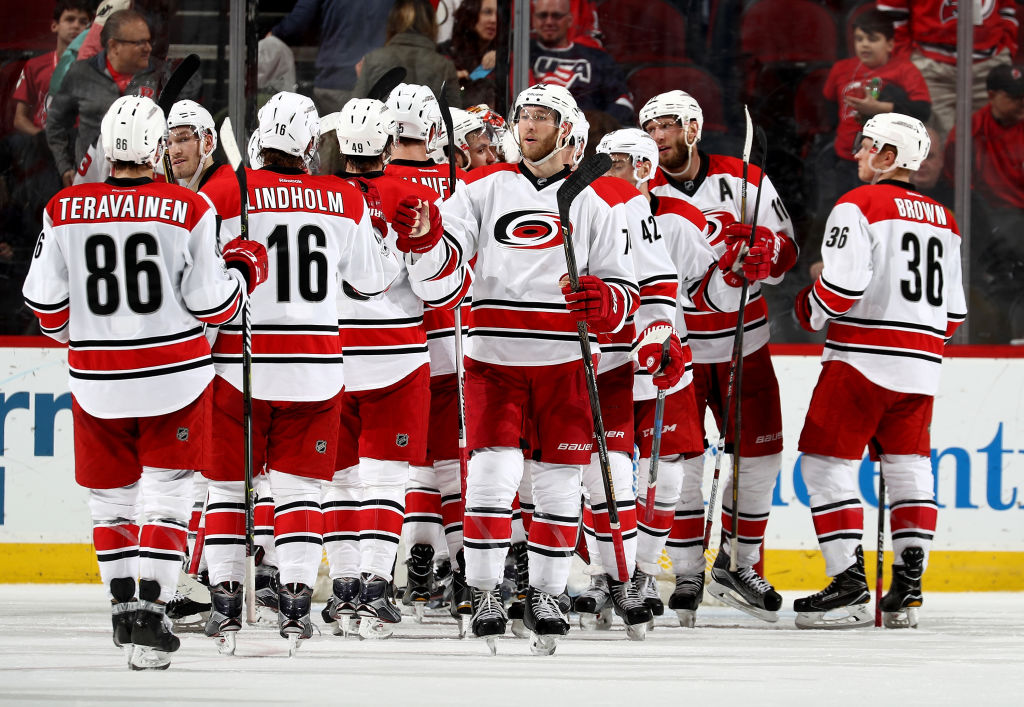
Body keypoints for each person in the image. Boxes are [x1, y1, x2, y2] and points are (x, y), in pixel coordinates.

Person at [21, 95, 268, 669]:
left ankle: (120, 609)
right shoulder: (188, 208)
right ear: (158, 148)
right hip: (173, 380)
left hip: (95, 380)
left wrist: (77, 336)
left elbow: (43, 301)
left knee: (110, 501)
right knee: (169, 494)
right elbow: (214, 306)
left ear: (106, 147)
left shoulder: (63, 207)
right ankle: (152, 609)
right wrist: (244, 268)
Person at [412, 82, 637, 654]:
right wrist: (428, 241)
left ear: (566, 132)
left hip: (565, 362)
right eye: (524, 116)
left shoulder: (593, 201)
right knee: (491, 476)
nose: (529, 125)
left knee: (561, 485)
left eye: (541, 116)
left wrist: (605, 301)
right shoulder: (482, 189)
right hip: (493, 360)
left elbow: (625, 289)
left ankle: (547, 593)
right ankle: (485, 589)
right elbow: (444, 266)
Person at [197, 91, 402, 653]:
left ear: (261, 137)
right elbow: (371, 283)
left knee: (225, 490)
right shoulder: (342, 197)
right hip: (315, 368)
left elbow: (198, 279)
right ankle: (293, 605)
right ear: (313, 144)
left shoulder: (227, 190)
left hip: (239, 366)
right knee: (301, 491)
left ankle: (224, 604)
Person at [792, 113, 966, 630]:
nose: (859, 154)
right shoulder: (946, 219)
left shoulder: (859, 204)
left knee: (824, 465)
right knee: (910, 468)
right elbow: (954, 316)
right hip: (923, 365)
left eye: (868, 146)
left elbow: (841, 292)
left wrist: (809, 306)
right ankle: (906, 592)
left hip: (861, 359)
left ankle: (848, 586)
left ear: (890, 157)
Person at [642, 89, 797, 622]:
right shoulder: (641, 186)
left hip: (743, 344)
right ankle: (686, 573)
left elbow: (787, 249)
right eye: (652, 127)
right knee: (683, 463)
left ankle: (740, 562)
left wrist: (765, 254)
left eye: (667, 126)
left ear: (692, 129)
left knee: (758, 459)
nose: (658, 137)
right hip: (677, 347)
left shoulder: (742, 176)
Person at [318, 97, 450, 639]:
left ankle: (344, 590)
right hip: (396, 355)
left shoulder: (316, 198)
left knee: (339, 480)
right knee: (386, 479)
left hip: (327, 354)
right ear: (388, 142)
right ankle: (376, 587)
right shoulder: (416, 196)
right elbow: (442, 288)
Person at [46, 9, 199, 188]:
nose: (148, 48)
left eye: (148, 41)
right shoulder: (81, 73)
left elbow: (181, 124)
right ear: (114, 46)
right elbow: (56, 124)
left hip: (148, 186)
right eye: (139, 43)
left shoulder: (160, 73)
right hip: (93, 182)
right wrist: (65, 167)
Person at [819, 9, 931, 214]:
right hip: (845, 157)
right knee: (843, 210)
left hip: (885, 162)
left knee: (877, 212)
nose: (864, 44)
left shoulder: (904, 70)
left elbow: (923, 111)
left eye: (872, 39)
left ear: (890, 44)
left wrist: (881, 109)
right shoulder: (841, 69)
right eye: (859, 38)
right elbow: (829, 108)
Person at [943, 63, 1024, 343]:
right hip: (988, 216)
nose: (1020, 103)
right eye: (1013, 97)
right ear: (991, 96)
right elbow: (958, 187)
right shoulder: (970, 132)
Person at [877, 0, 1017, 138]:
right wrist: (905, 62)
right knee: (934, 144)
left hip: (989, 64)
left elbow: (1008, 8)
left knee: (990, 144)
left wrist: (1008, 46)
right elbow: (890, 12)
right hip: (931, 67)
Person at [270, 0, 393, 114]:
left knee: (335, 133)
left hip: (336, 79)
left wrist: (273, 35)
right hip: (379, 77)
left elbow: (297, 22)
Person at [529, 0, 634, 125]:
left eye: (557, 16)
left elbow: (623, 101)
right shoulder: (521, 53)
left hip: (589, 137)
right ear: (533, 20)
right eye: (543, 16)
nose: (549, 22)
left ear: (569, 20)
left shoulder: (597, 57)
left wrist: (595, 127)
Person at [352, 0, 462, 110]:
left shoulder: (373, 60)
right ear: (431, 24)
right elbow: (455, 119)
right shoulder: (445, 67)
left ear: (393, 22)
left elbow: (354, 114)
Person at [11, 1, 92, 137]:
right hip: (41, 140)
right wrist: (41, 137)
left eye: (83, 22)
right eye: (70, 19)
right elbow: (19, 119)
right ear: (55, 26)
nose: (76, 26)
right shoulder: (34, 65)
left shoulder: (95, 69)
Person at [438, 0, 498, 107]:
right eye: (487, 12)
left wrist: (502, 56)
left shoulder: (506, 55)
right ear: (470, 14)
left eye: (497, 14)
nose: (494, 20)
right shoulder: (444, 54)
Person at [166, 100, 229, 191]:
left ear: (207, 143)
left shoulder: (228, 188)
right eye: (168, 143)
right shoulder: (184, 196)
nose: (174, 151)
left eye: (184, 139)